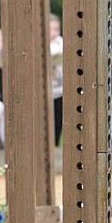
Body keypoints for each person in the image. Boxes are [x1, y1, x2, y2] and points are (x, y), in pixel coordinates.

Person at [49, 13, 64, 144]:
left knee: (58, 124)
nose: (54, 33)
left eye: (56, 29)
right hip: (46, 92)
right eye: (50, 29)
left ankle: (55, 146)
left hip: (60, 91)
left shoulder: (61, 42)